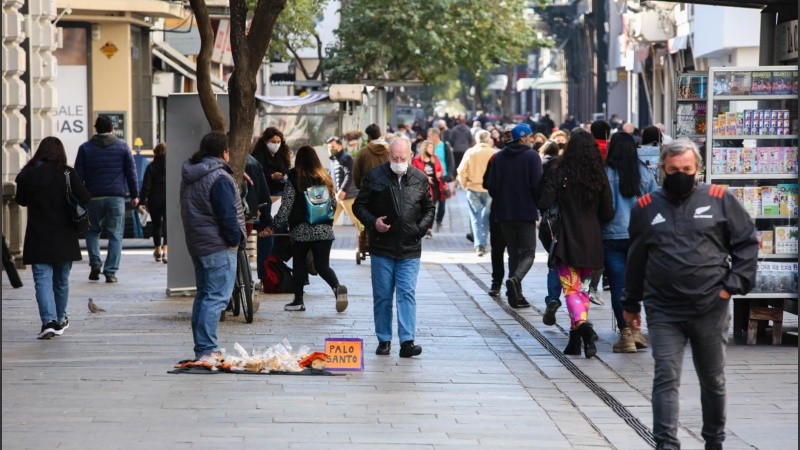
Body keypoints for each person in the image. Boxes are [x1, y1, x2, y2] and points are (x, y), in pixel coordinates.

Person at [623, 139, 758, 449]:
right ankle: (666, 444)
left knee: (713, 379)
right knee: (665, 377)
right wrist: (630, 304)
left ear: (698, 169)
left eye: (686, 169)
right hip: (663, 310)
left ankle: (714, 441)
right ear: (662, 169)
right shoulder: (645, 207)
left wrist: (731, 286)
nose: (680, 174)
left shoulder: (720, 198)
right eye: (673, 170)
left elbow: (746, 243)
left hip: (710, 306)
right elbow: (636, 258)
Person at [353, 136, 435, 358]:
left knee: (406, 293)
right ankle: (384, 339)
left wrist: (419, 229)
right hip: (382, 248)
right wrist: (373, 222)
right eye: (394, 157)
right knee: (382, 295)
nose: (398, 161)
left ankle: (407, 341)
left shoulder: (419, 178)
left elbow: (429, 208)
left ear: (410, 155)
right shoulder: (375, 177)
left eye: (402, 157)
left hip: (409, 248)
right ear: (389, 155)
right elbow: (359, 206)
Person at [537, 129, 613, 358]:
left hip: (566, 238)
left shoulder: (559, 170)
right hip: (591, 239)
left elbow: (543, 201)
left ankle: (583, 328)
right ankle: (575, 340)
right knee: (583, 289)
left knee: (571, 288)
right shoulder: (599, 173)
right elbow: (608, 212)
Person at [179, 132, 246, 361]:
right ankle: (207, 349)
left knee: (205, 296)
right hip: (218, 246)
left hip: (199, 244)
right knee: (216, 297)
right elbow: (227, 215)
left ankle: (202, 347)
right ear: (223, 152)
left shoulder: (192, 175)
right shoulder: (219, 177)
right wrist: (234, 241)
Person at [16, 137, 91, 339]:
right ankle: (60, 319)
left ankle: (48, 321)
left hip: (38, 234)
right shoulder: (67, 173)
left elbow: (21, 200)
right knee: (61, 280)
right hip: (65, 235)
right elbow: (84, 197)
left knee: (42, 280)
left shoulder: (27, 174)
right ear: (60, 152)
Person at [272, 145, 348, 313]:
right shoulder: (324, 177)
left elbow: (286, 205)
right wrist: (325, 223)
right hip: (324, 230)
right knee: (322, 265)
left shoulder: (294, 176)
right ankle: (337, 287)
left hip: (301, 229)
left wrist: (275, 224)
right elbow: (333, 204)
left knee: (299, 265)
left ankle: (298, 301)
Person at [601, 132, 657, 353]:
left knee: (618, 286)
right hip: (638, 237)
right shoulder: (644, 172)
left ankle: (626, 335)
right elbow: (655, 203)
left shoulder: (605, 173)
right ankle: (636, 332)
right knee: (634, 286)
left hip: (611, 236)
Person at [485, 123, 543, 309]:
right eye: (531, 137)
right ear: (523, 137)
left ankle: (515, 294)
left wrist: (503, 199)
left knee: (513, 253)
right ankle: (515, 280)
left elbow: (491, 185)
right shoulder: (532, 156)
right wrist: (538, 206)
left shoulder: (499, 157)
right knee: (528, 252)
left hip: (504, 212)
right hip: (525, 212)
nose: (533, 140)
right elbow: (537, 185)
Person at [75, 115, 139, 284]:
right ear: (112, 128)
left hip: (93, 197)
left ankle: (95, 263)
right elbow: (131, 174)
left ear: (96, 128)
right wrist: (135, 195)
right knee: (116, 235)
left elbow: (77, 176)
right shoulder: (123, 147)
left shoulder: (85, 148)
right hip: (115, 197)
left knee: (92, 232)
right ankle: (110, 272)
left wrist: (78, 197)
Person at [457, 130, 496, 256]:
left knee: (475, 217)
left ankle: (479, 244)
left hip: (473, 188)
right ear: (488, 139)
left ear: (476, 139)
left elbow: (461, 170)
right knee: (486, 216)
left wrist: (464, 184)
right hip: (489, 189)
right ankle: (483, 242)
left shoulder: (471, 152)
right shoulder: (493, 152)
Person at [244, 153, 273, 286]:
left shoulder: (250, 163)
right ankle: (263, 277)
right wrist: (266, 221)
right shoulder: (252, 162)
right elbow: (263, 194)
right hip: (248, 213)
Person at [139, 142, 167, 263]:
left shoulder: (151, 167)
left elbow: (146, 186)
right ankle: (166, 251)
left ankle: (158, 250)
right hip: (168, 198)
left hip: (154, 199)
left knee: (157, 225)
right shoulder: (170, 166)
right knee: (167, 224)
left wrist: (142, 201)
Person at [411, 140, 446, 239]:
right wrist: (426, 178)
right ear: (424, 148)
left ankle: (429, 229)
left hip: (435, 187)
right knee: (422, 208)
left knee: (431, 207)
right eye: (430, 147)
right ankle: (422, 227)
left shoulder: (435, 158)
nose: (432, 149)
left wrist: (439, 173)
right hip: (423, 187)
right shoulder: (417, 159)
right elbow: (414, 172)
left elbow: (440, 169)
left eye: (432, 148)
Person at [327, 136, 360, 230]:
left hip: (348, 196)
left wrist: (343, 189)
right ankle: (323, 242)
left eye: (333, 146)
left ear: (340, 146)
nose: (330, 149)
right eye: (329, 147)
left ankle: (366, 242)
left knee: (358, 222)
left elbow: (349, 175)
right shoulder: (334, 160)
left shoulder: (346, 158)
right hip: (338, 197)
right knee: (329, 221)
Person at [426, 127, 455, 231]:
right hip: (431, 177)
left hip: (442, 177)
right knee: (431, 201)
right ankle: (430, 224)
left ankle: (439, 219)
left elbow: (450, 161)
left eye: (429, 136)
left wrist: (450, 175)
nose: (428, 138)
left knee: (442, 203)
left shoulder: (444, 146)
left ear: (435, 136)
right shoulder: (428, 147)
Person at [252, 127, 292, 198]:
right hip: (266, 192)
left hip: (281, 189)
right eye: (273, 142)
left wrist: (283, 174)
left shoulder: (282, 154)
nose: (276, 144)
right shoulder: (258, 155)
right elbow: (256, 175)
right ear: (266, 141)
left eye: (278, 142)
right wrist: (271, 177)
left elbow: (286, 169)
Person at [353, 123, 389, 190]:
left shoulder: (363, 152)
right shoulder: (390, 150)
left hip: (368, 190)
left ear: (369, 136)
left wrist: (361, 187)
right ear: (380, 134)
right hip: (387, 190)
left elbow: (356, 173)